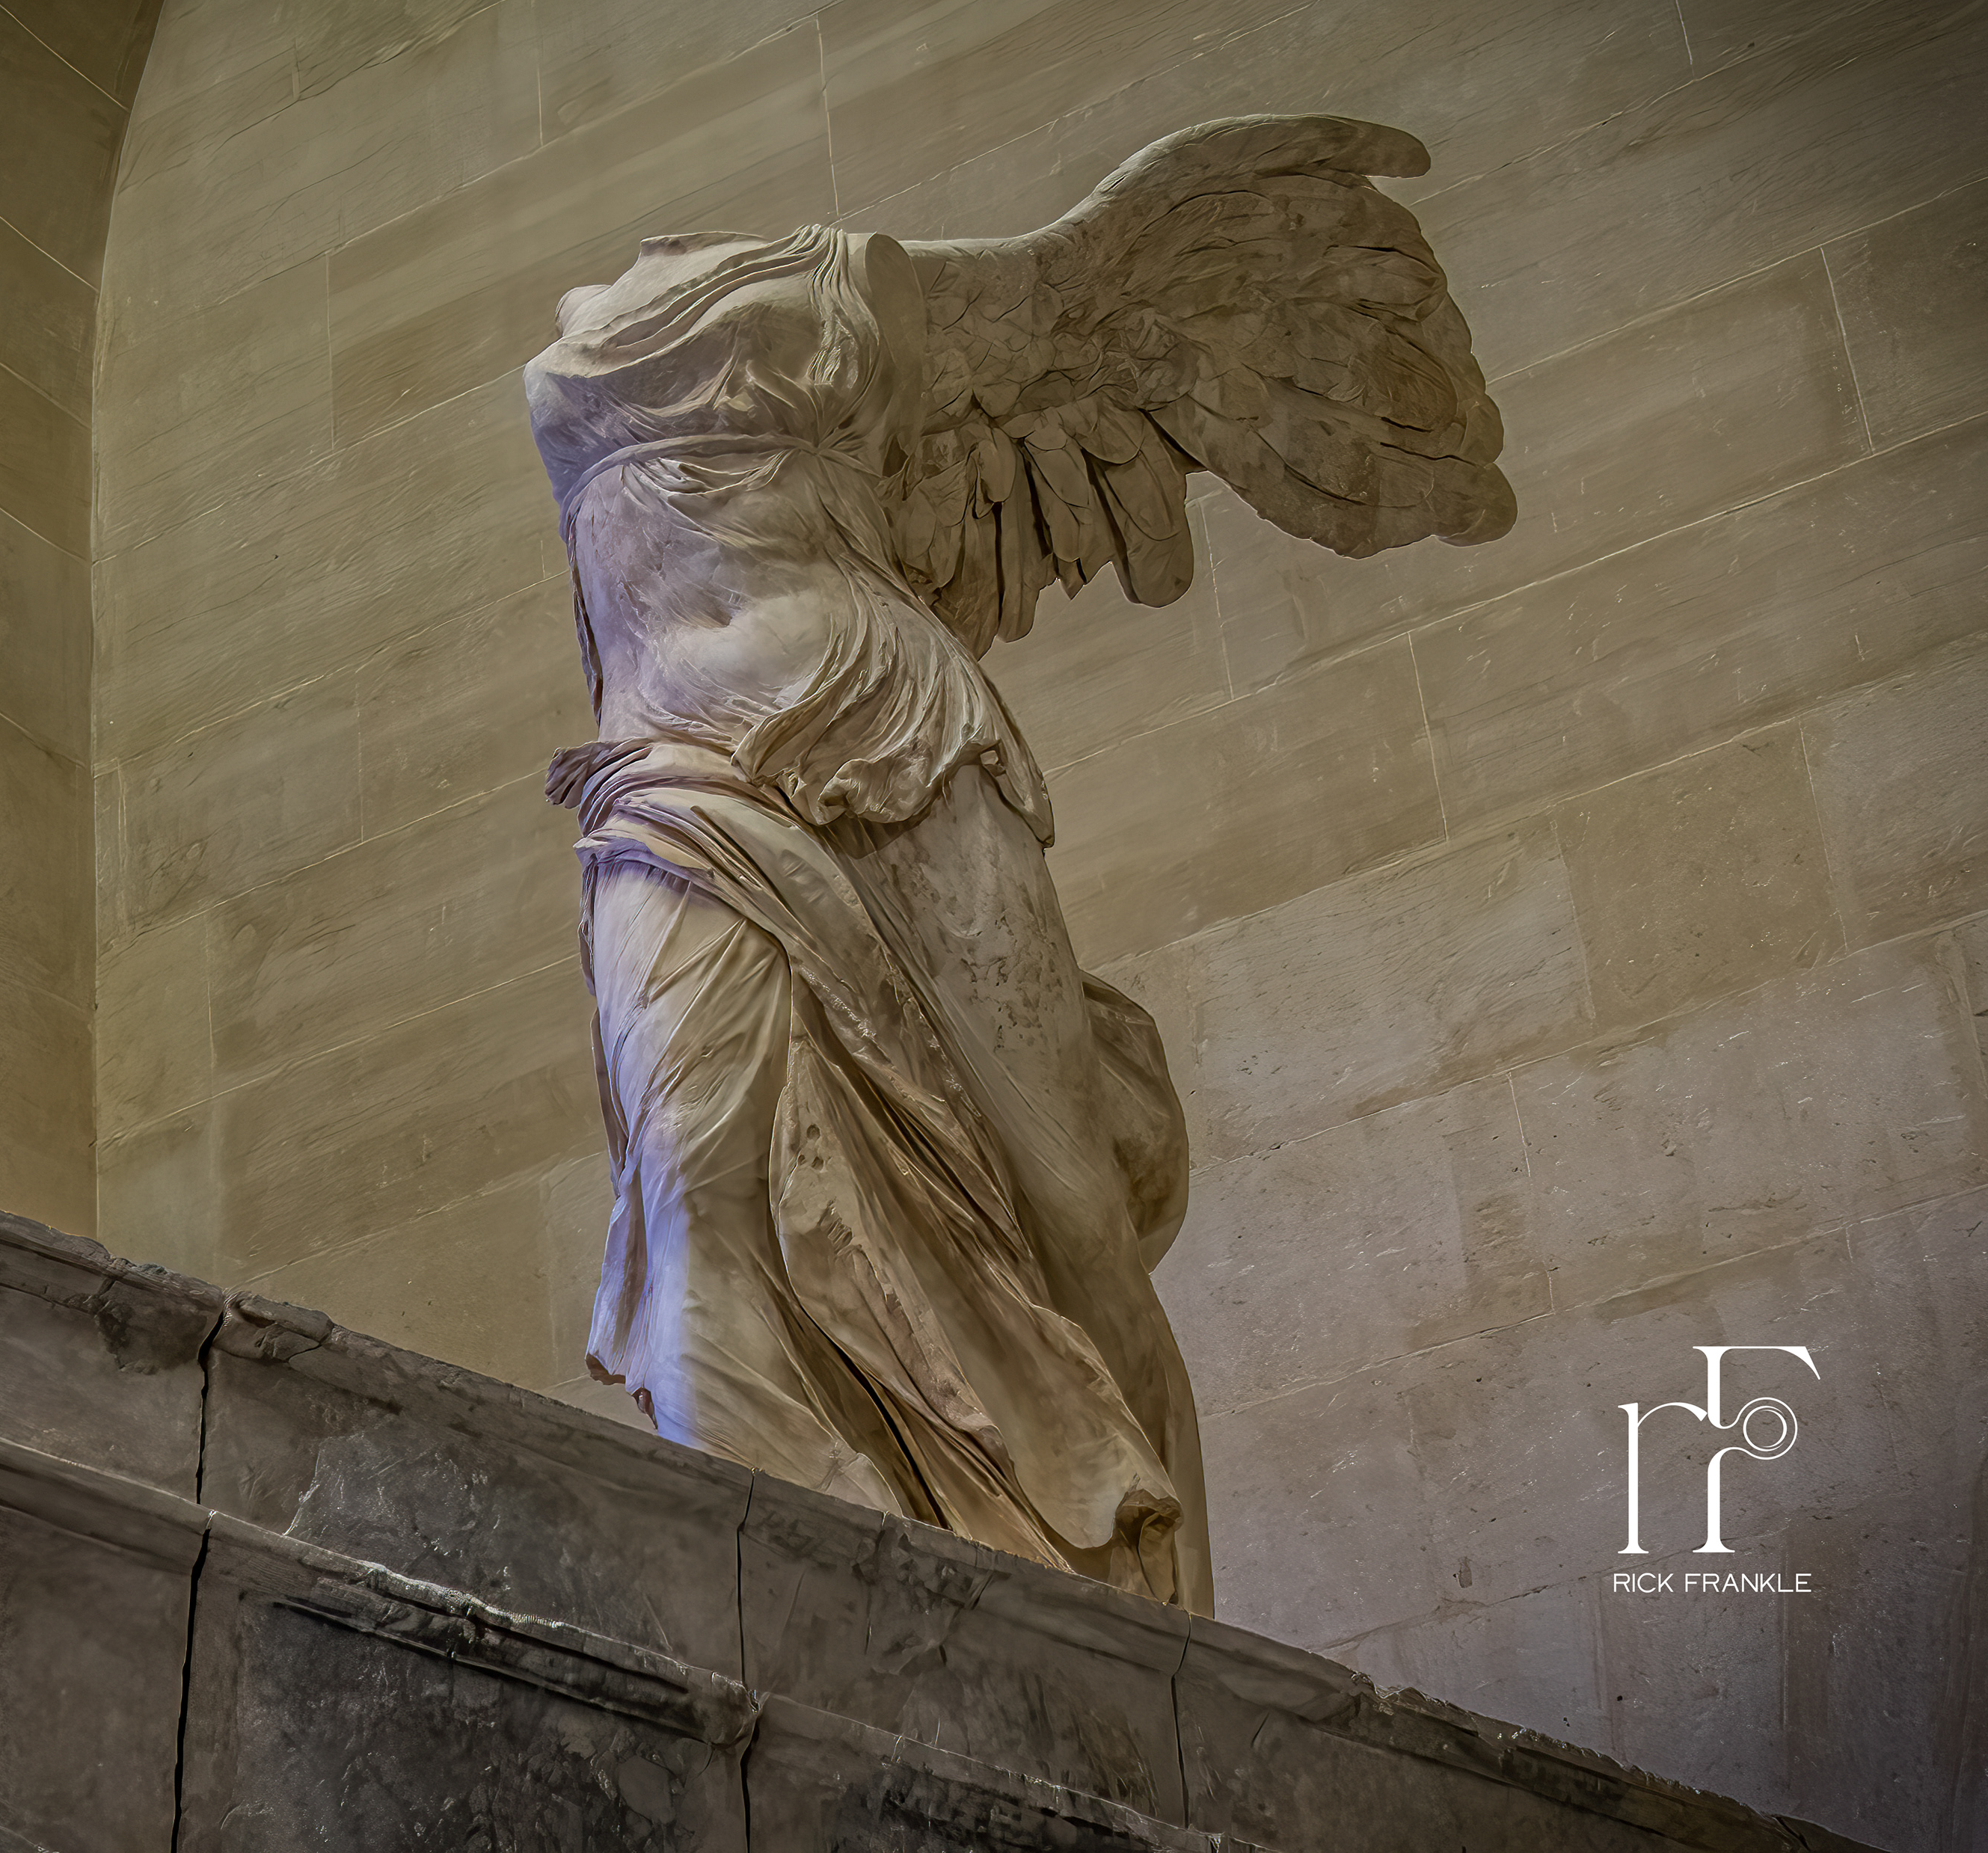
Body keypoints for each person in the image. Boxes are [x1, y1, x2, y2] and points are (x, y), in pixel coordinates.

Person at [523, 117, 1514, 1611]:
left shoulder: (852, 286)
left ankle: (1172, 1620)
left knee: (1068, 1204)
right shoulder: (583, 337)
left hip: (894, 736)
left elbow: (1101, 288)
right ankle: (799, 1614)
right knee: (691, 1201)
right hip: (668, 781)